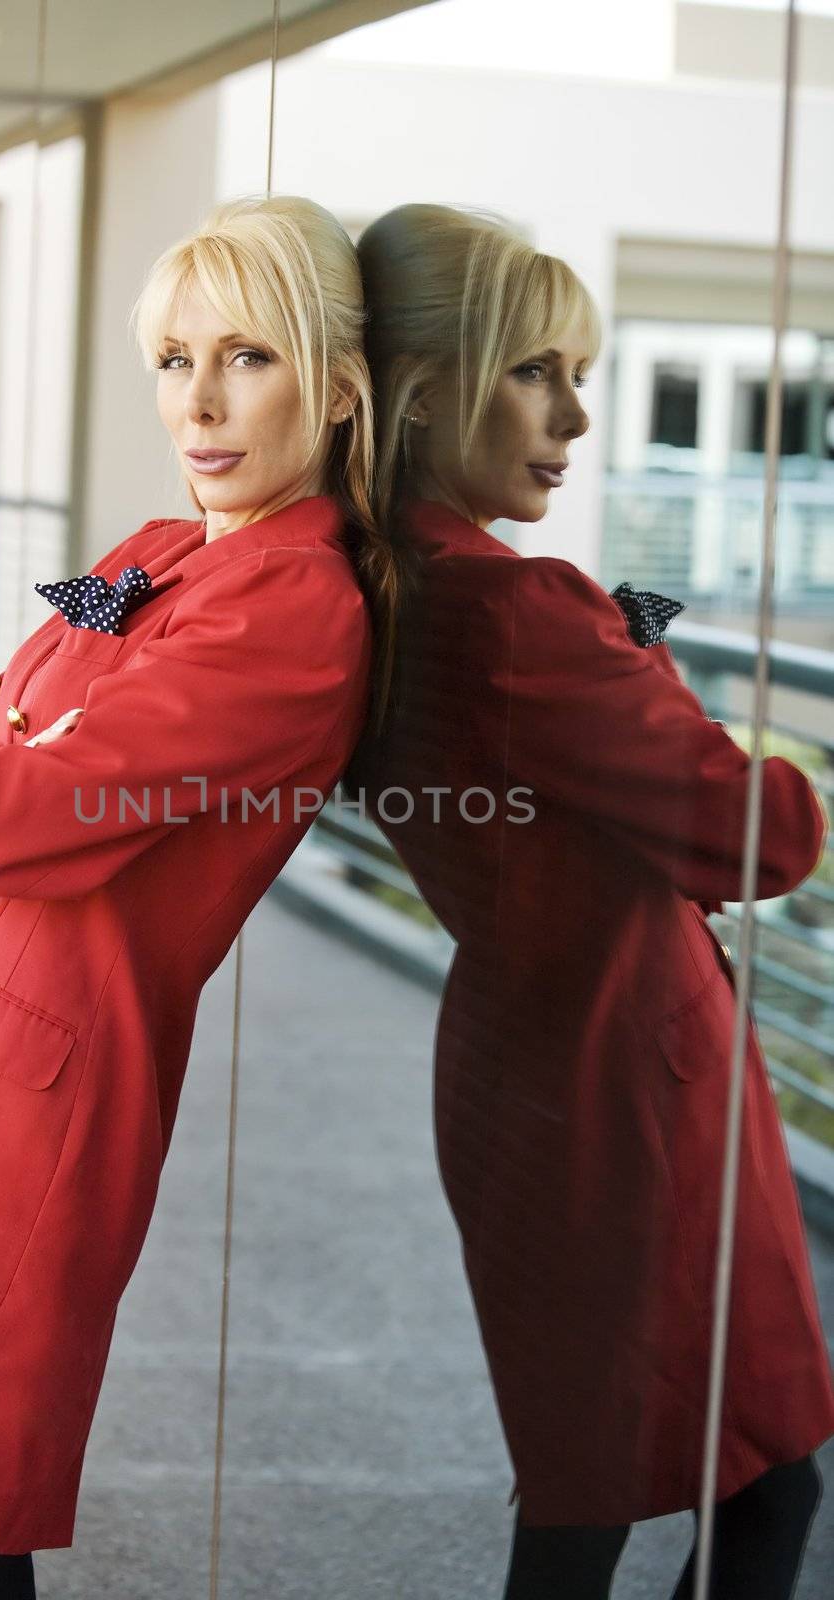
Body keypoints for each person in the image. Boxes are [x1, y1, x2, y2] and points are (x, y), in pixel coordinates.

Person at [0, 194, 405, 1599]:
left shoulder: (292, 608)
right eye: (176, 360)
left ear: (341, 389)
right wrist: (0, 750)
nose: (201, 402)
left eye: (248, 357)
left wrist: (4, 750)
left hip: (32, 1107)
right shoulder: (156, 555)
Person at [346, 202, 834, 1598]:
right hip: (634, 1078)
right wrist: (675, 684)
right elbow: (767, 838)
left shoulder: (388, 583)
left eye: (581, 378)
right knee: (728, 1472)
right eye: (535, 372)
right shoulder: (523, 611)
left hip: (533, 1049)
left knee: (603, 1470)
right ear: (428, 390)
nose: (572, 416)